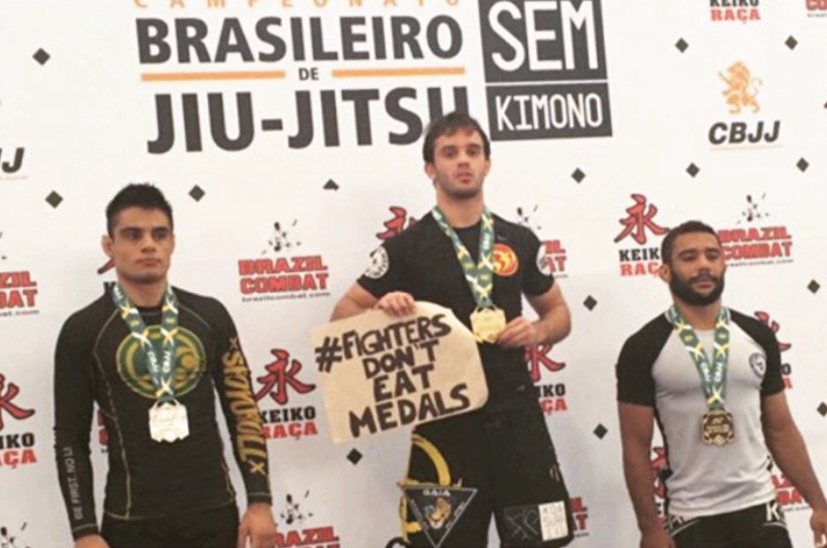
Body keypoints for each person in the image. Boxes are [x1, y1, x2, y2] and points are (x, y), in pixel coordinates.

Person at [331, 112, 575, 548]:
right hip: (445, 422)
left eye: (473, 151)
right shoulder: (407, 246)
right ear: (431, 168)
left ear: (487, 163)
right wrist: (382, 310)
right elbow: (342, 316)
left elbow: (559, 313)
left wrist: (538, 332)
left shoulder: (518, 240)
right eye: (449, 152)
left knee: (541, 543)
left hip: (516, 417)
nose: (463, 160)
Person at [54, 184, 278, 548]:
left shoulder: (209, 316)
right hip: (130, 525)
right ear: (109, 245)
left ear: (173, 242)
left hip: (215, 517)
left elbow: (243, 411)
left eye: (159, 234)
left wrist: (260, 500)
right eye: (133, 235)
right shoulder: (83, 330)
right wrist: (84, 531)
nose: (148, 245)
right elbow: (70, 440)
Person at [616, 220, 827, 548]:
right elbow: (635, 446)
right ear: (665, 272)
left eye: (712, 256)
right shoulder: (643, 347)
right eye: (689, 257)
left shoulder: (757, 335)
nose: (703, 265)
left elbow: (780, 428)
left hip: (760, 507)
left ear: (724, 264)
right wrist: (650, 528)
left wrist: (818, 503)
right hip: (691, 515)